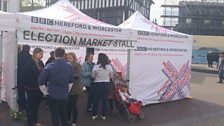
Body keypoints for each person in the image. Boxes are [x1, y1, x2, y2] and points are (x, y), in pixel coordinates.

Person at [38, 47, 73, 126]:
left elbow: (40, 81)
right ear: (64, 55)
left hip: (52, 95)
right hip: (64, 95)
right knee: (64, 113)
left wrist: (45, 92)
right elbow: (71, 82)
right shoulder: (69, 66)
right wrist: (67, 91)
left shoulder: (49, 66)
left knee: (54, 115)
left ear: (54, 55)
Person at [22, 48, 44, 126]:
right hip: (31, 88)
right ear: (35, 53)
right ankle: (30, 122)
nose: (42, 55)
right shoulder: (29, 62)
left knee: (36, 105)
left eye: (42, 53)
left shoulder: (41, 63)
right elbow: (24, 75)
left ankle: (34, 121)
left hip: (39, 88)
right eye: (40, 53)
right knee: (31, 105)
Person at [91, 53, 113, 120]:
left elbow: (93, 76)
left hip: (97, 84)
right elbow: (111, 76)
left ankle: (94, 115)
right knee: (105, 100)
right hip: (106, 84)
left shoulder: (96, 66)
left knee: (96, 100)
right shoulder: (109, 67)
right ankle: (103, 115)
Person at [66, 52, 83, 126]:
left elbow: (77, 76)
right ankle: (68, 119)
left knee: (73, 105)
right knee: (67, 105)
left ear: (74, 58)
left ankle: (74, 121)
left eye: (70, 58)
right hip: (67, 89)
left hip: (75, 88)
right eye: (67, 58)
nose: (68, 59)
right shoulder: (65, 65)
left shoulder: (77, 65)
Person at [17, 44, 32, 112]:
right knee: (29, 93)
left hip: (19, 77)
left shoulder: (17, 56)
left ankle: (21, 107)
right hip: (28, 78)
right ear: (28, 49)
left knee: (21, 93)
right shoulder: (30, 57)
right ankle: (28, 107)